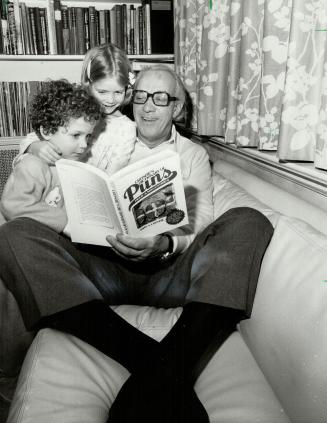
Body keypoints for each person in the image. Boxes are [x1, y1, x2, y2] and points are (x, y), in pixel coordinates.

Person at [0, 65, 274, 423]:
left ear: (176, 108)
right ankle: (152, 361)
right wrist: (35, 146)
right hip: (101, 267)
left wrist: (163, 244)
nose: (147, 107)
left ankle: (170, 360)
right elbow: (53, 140)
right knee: (13, 235)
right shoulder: (103, 135)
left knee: (249, 221)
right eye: (141, 96)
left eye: (161, 99)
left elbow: (202, 217)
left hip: (166, 274)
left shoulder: (191, 155)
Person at [19, 43, 136, 176]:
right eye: (102, 92)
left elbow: (114, 176)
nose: (110, 99)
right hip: (52, 183)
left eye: (118, 92)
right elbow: (33, 138)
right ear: (88, 84)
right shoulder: (73, 109)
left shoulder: (126, 129)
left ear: (127, 89)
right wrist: (33, 147)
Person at [0, 79, 101, 231]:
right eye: (76, 135)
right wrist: (66, 224)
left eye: (87, 136)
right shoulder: (32, 165)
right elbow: (14, 206)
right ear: (47, 131)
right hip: (15, 239)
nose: (84, 145)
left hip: (47, 238)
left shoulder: (72, 166)